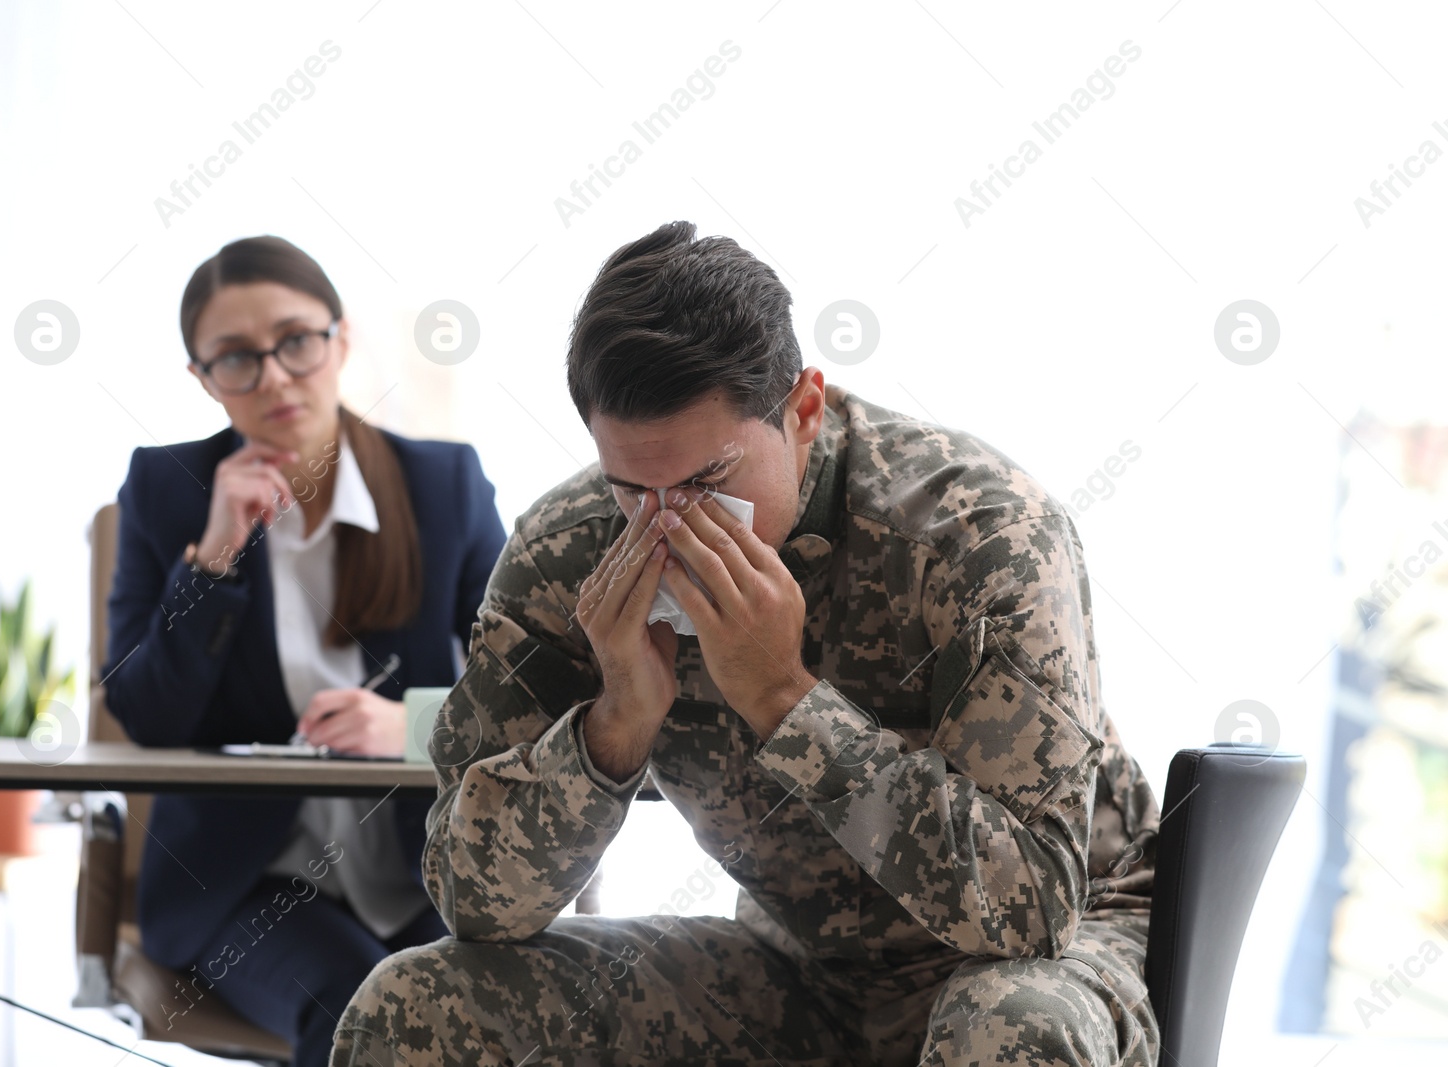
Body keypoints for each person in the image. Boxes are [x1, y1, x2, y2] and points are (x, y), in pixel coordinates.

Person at [332, 220, 1164, 1066]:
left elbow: (1031, 904)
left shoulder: (977, 530)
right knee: (415, 1004)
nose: (671, 528)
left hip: (1052, 951)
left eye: (708, 483)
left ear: (803, 409)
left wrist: (785, 700)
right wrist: (612, 730)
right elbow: (474, 902)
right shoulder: (572, 552)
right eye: (632, 488)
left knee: (1004, 1029)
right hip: (803, 968)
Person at [100, 235, 507, 1066]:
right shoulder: (164, 489)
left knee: (498, 1017)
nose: (276, 376)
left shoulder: (444, 486)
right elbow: (143, 716)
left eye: (295, 341)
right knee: (371, 1007)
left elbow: (533, 694)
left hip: (423, 874)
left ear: (339, 339)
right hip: (246, 886)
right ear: (203, 380)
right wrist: (211, 560)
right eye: (237, 359)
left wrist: (407, 725)